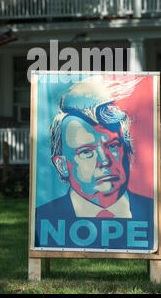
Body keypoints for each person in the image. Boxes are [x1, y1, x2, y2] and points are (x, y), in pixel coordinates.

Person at [35, 76, 154, 250]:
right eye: (86, 152)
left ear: (126, 150)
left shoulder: (150, 213)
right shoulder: (45, 217)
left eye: (113, 146)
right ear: (61, 165)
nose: (104, 160)